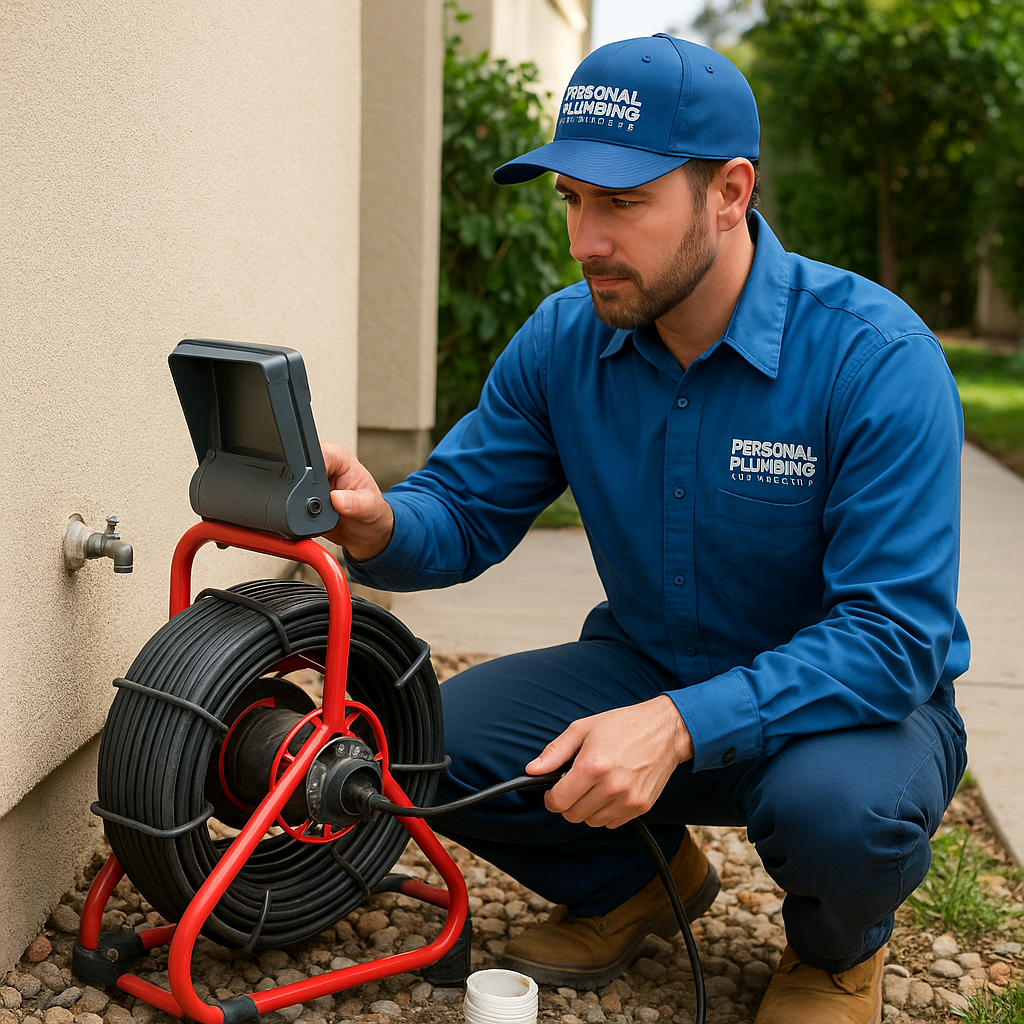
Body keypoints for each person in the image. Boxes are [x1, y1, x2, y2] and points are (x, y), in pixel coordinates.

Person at [321, 33, 969, 1024]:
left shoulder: (872, 357)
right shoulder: (563, 340)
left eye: (622, 202)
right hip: (646, 664)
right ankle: (632, 882)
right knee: (426, 741)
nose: (584, 237)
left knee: (839, 813)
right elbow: (460, 510)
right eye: (572, 199)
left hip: (847, 707)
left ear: (729, 192)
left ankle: (837, 952)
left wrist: (679, 725)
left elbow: (893, 637)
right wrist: (378, 521)